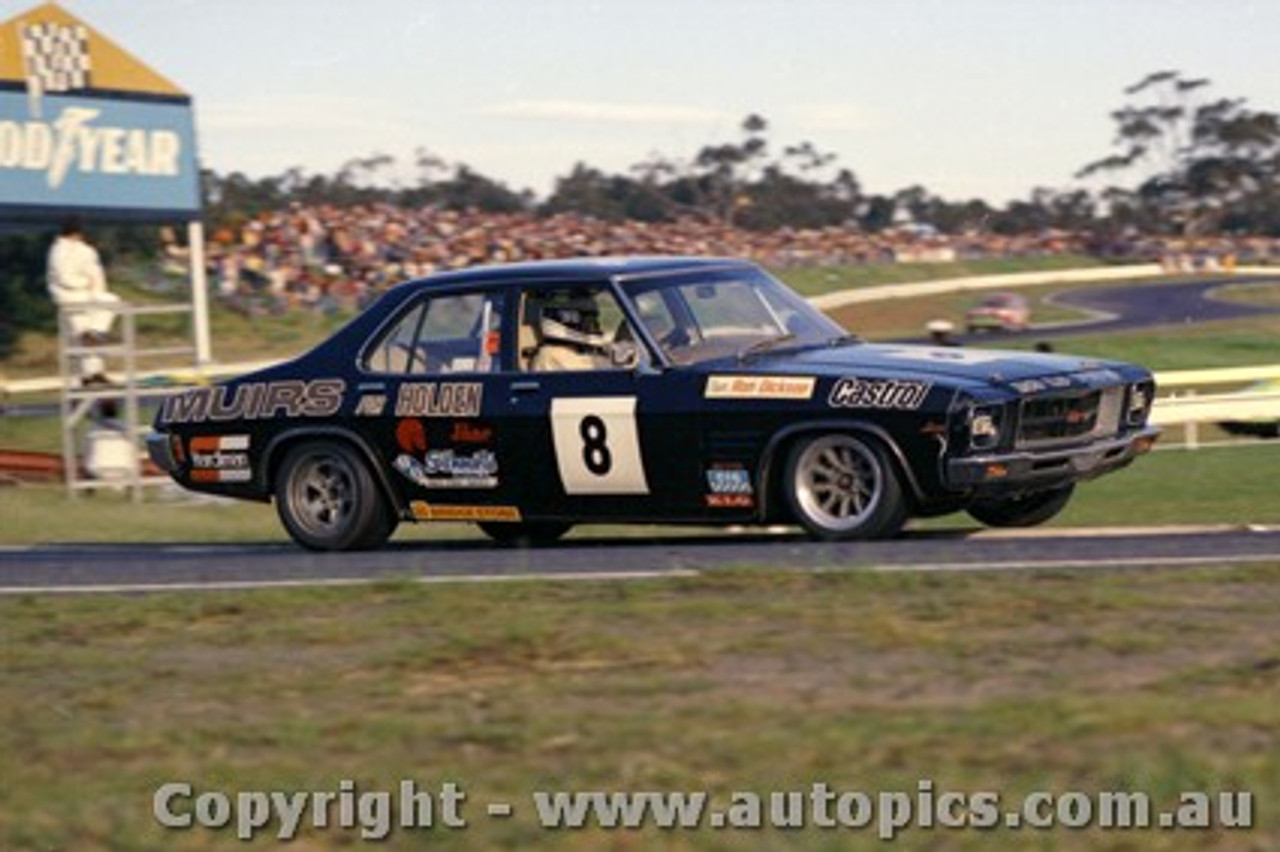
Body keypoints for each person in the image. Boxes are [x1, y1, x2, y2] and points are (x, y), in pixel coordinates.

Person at [47, 217, 120, 385]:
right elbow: (84, 278)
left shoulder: (56, 250)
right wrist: (86, 285)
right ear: (79, 233)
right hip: (78, 296)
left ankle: (91, 373)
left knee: (81, 336)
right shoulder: (77, 251)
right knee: (111, 303)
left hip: (68, 299)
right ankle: (92, 370)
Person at [530, 295, 612, 371]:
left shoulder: (571, 352)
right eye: (589, 320)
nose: (596, 326)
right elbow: (590, 369)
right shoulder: (549, 355)